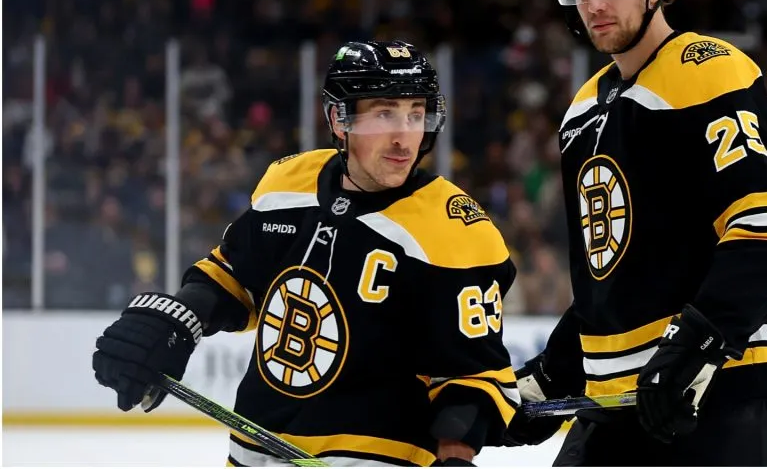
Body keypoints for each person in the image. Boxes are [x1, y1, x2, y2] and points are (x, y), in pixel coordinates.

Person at [93, 40, 520, 467]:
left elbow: (472, 373)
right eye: (385, 112)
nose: (404, 135)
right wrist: (178, 319)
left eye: (416, 113)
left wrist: (456, 456)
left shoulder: (457, 228)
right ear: (339, 118)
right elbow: (234, 277)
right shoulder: (287, 182)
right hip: (253, 450)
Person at [501, 0, 767, 466]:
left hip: (717, 390)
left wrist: (695, 347)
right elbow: (616, 283)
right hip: (619, 400)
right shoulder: (582, 111)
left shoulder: (706, 68)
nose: (593, 3)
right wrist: (550, 376)